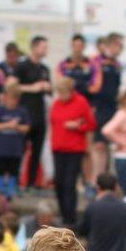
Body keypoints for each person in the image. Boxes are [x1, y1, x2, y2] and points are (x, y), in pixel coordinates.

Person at [48, 76, 96, 226]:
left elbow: (91, 124)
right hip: (58, 148)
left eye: (63, 93)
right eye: (59, 93)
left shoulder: (81, 102)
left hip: (74, 149)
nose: (61, 96)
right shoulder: (56, 104)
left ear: (70, 91)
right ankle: (63, 214)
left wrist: (77, 126)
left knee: (69, 183)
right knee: (59, 183)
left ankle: (70, 218)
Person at [15, 36, 52, 190]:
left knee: (37, 150)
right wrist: (32, 87)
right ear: (34, 47)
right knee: (21, 149)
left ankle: (31, 183)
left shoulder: (44, 69)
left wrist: (47, 87)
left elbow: (50, 91)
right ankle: (16, 181)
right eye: (43, 47)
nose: (46, 50)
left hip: (39, 113)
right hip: (24, 113)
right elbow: (13, 87)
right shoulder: (22, 65)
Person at [89, 33, 124, 183]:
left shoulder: (117, 64)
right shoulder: (95, 62)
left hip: (112, 109)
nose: (121, 48)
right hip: (99, 109)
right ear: (110, 44)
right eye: (119, 45)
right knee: (98, 146)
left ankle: (107, 181)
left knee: (109, 146)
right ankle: (95, 180)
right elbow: (90, 86)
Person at [0, 80, 30, 198]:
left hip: (15, 148)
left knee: (13, 169)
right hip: (1, 147)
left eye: (15, 99)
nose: (12, 102)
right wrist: (7, 125)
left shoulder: (22, 111)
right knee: (0, 168)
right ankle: (0, 189)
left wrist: (17, 127)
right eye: (10, 98)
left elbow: (26, 127)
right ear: (5, 98)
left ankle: (11, 190)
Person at [57, 34, 99, 99]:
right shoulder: (63, 64)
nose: (77, 48)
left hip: (86, 101)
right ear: (71, 46)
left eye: (80, 46)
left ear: (84, 46)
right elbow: (59, 84)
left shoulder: (92, 64)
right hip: (68, 102)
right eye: (75, 46)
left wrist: (82, 87)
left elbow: (95, 87)